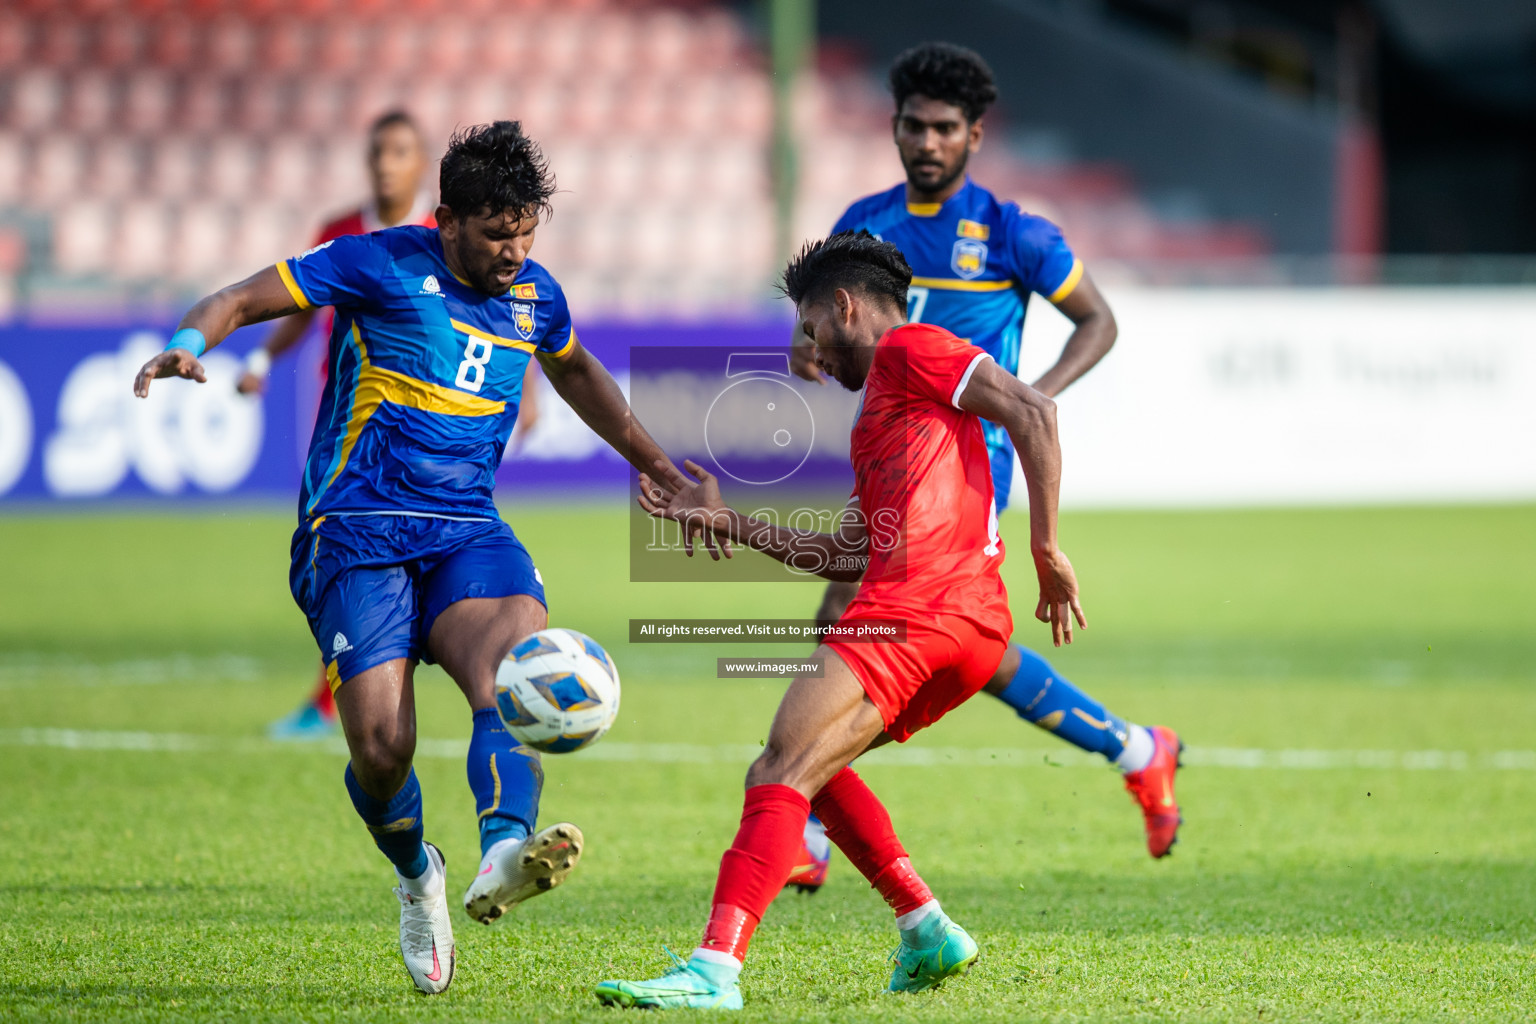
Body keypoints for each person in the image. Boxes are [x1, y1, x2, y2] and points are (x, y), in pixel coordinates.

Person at [133, 121, 696, 995]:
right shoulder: (375, 263)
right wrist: (191, 343)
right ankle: (417, 872)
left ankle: (505, 849)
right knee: (382, 747)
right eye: (496, 233)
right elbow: (243, 298)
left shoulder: (535, 297)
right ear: (447, 222)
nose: (514, 251)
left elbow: (579, 373)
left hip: (466, 529)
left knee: (514, 677)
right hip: (356, 530)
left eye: (526, 232)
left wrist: (658, 467)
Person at [597, 230, 1085, 1009]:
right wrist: (734, 524)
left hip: (919, 609)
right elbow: (844, 555)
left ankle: (714, 971)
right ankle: (926, 930)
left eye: (812, 330)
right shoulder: (882, 419)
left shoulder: (908, 351)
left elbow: (1033, 409)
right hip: (968, 627)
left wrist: (1049, 550)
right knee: (816, 772)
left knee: (777, 768)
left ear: (845, 307)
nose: (813, 354)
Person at [785, 44, 1178, 886]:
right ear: (892, 128)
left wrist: (1033, 393)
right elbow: (821, 315)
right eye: (911, 126)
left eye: (943, 128)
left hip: (969, 472)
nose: (925, 142)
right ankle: (1137, 747)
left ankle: (805, 819)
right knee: (971, 649)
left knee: (856, 612)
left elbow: (1098, 321)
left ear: (975, 135)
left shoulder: (1013, 234)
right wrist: (805, 343)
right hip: (892, 462)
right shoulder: (866, 222)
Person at [241, 110, 539, 741]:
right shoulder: (346, 233)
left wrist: (531, 388)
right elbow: (299, 303)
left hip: (439, 415)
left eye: (398, 152)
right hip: (350, 412)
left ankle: (361, 683)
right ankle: (349, 690)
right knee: (356, 548)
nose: (383, 163)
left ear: (418, 164)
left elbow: (507, 314)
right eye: (376, 151)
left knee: (437, 540)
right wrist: (264, 359)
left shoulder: (463, 235)